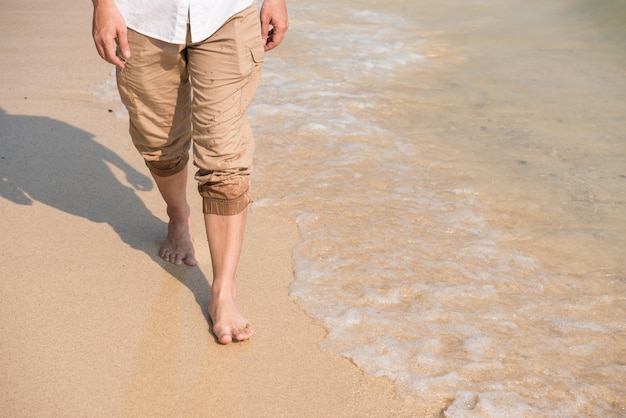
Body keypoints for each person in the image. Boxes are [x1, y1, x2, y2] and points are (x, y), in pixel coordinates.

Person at [91, 0, 288, 344]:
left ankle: (224, 290)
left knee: (225, 157)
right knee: (159, 143)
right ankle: (178, 215)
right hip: (141, 18)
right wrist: (103, 6)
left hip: (227, 14)